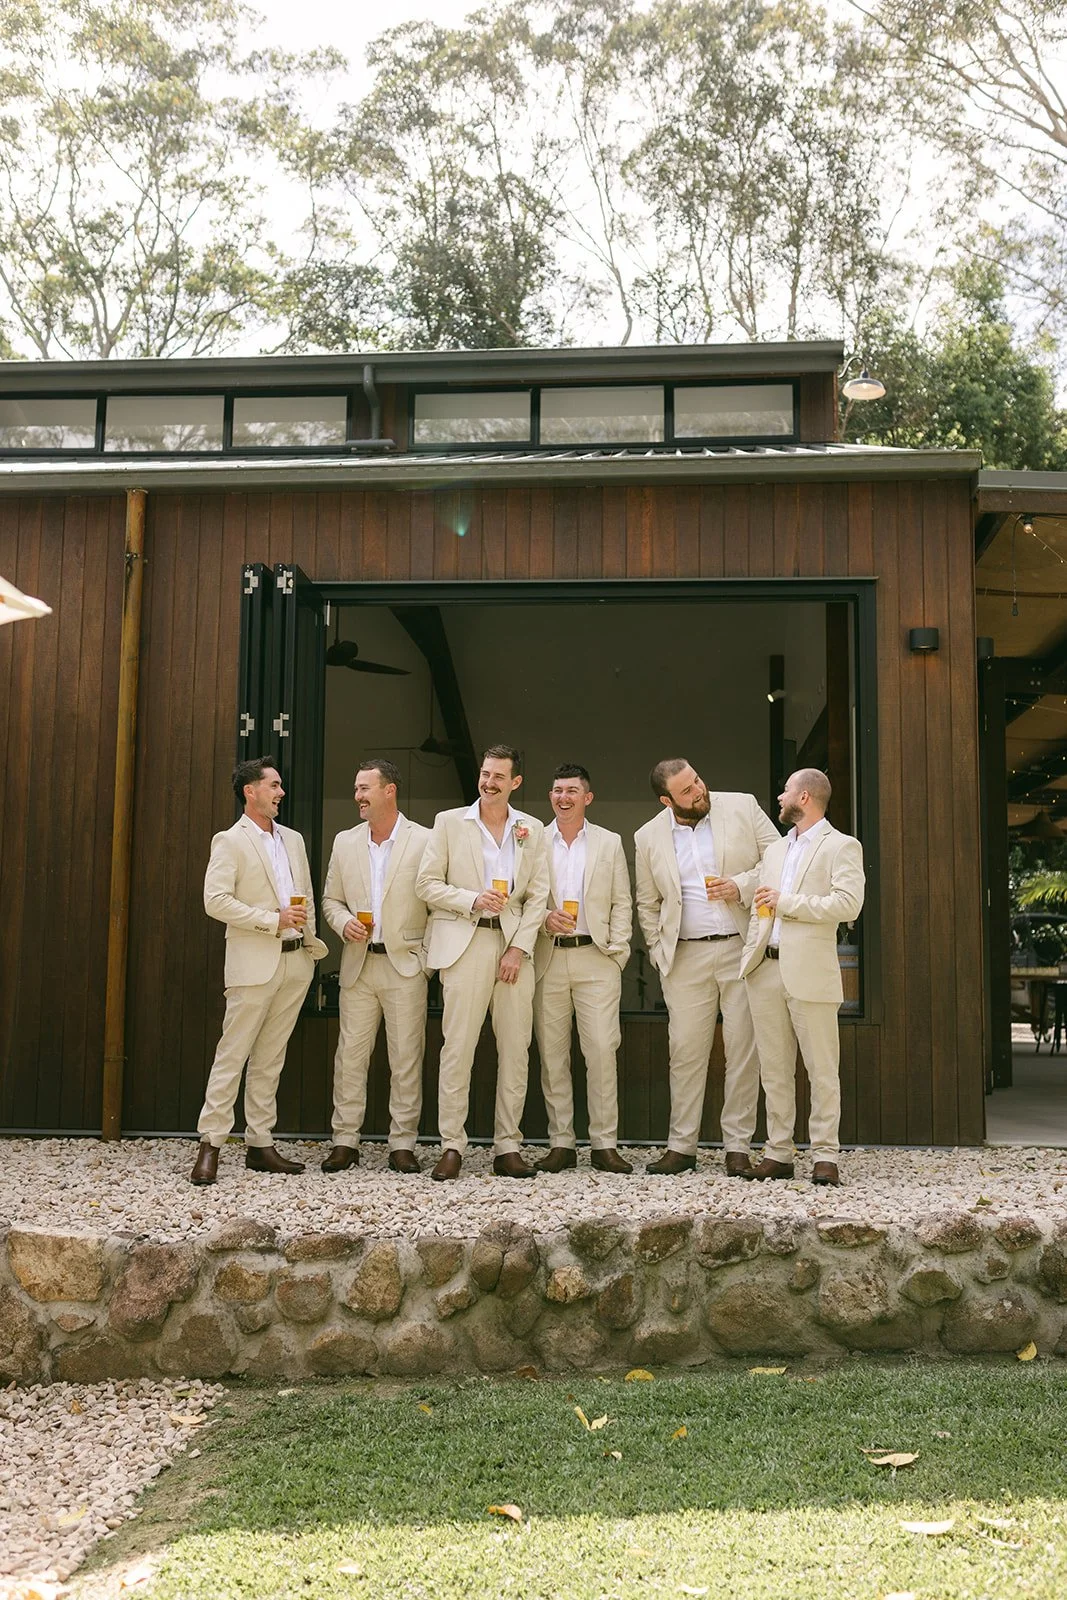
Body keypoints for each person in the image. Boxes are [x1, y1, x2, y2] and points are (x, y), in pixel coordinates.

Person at [634, 758, 780, 1175]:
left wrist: (741, 886)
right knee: (684, 1052)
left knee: (742, 1049)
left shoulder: (743, 805)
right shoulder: (647, 837)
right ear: (667, 800)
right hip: (684, 956)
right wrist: (660, 953)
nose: (699, 791)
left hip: (741, 947)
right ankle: (681, 1147)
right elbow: (648, 902)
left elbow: (779, 857)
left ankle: (737, 1146)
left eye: (697, 780)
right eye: (686, 791)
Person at [190, 758, 327, 1185]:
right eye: (273, 785)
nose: (280, 792)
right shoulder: (229, 840)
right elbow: (215, 901)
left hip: (296, 961)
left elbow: (303, 897)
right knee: (233, 1055)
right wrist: (272, 920)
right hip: (253, 963)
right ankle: (210, 1145)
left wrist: (307, 946)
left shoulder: (295, 840)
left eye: (280, 785)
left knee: (271, 1057)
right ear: (250, 791)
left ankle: (260, 1144)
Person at [416, 744, 549, 1180]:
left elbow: (538, 897)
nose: (488, 783)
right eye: (485, 774)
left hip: (514, 948)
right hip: (464, 943)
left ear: (515, 783)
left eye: (498, 777)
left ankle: (507, 1146)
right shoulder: (450, 822)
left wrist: (519, 949)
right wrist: (471, 899)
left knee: (515, 1048)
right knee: (457, 1047)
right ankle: (452, 1144)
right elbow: (427, 884)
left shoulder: (532, 829)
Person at [739, 767, 865, 1187]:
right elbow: (758, 893)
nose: (780, 797)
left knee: (822, 1069)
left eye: (786, 790)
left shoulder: (843, 846)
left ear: (806, 797)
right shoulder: (775, 851)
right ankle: (779, 1152)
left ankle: (825, 1155)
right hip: (765, 969)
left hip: (810, 972)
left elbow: (848, 905)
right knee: (773, 1070)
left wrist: (786, 902)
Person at [319, 759, 431, 1174]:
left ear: (390, 791)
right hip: (359, 965)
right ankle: (345, 1140)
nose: (357, 796)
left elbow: (438, 905)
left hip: (406, 966)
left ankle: (402, 1143)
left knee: (406, 1057)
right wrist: (341, 922)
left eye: (364, 788)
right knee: (350, 1056)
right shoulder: (345, 842)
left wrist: (426, 962)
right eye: (355, 788)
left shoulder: (426, 840)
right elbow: (330, 899)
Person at [532, 764, 633, 1174]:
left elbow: (622, 902)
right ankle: (561, 1144)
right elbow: (521, 897)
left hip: (597, 957)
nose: (563, 797)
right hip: (548, 957)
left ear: (587, 798)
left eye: (572, 790)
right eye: (557, 790)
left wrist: (618, 953)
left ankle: (604, 1144)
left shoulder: (609, 842)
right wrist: (542, 918)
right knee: (552, 1054)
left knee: (601, 1050)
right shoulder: (533, 841)